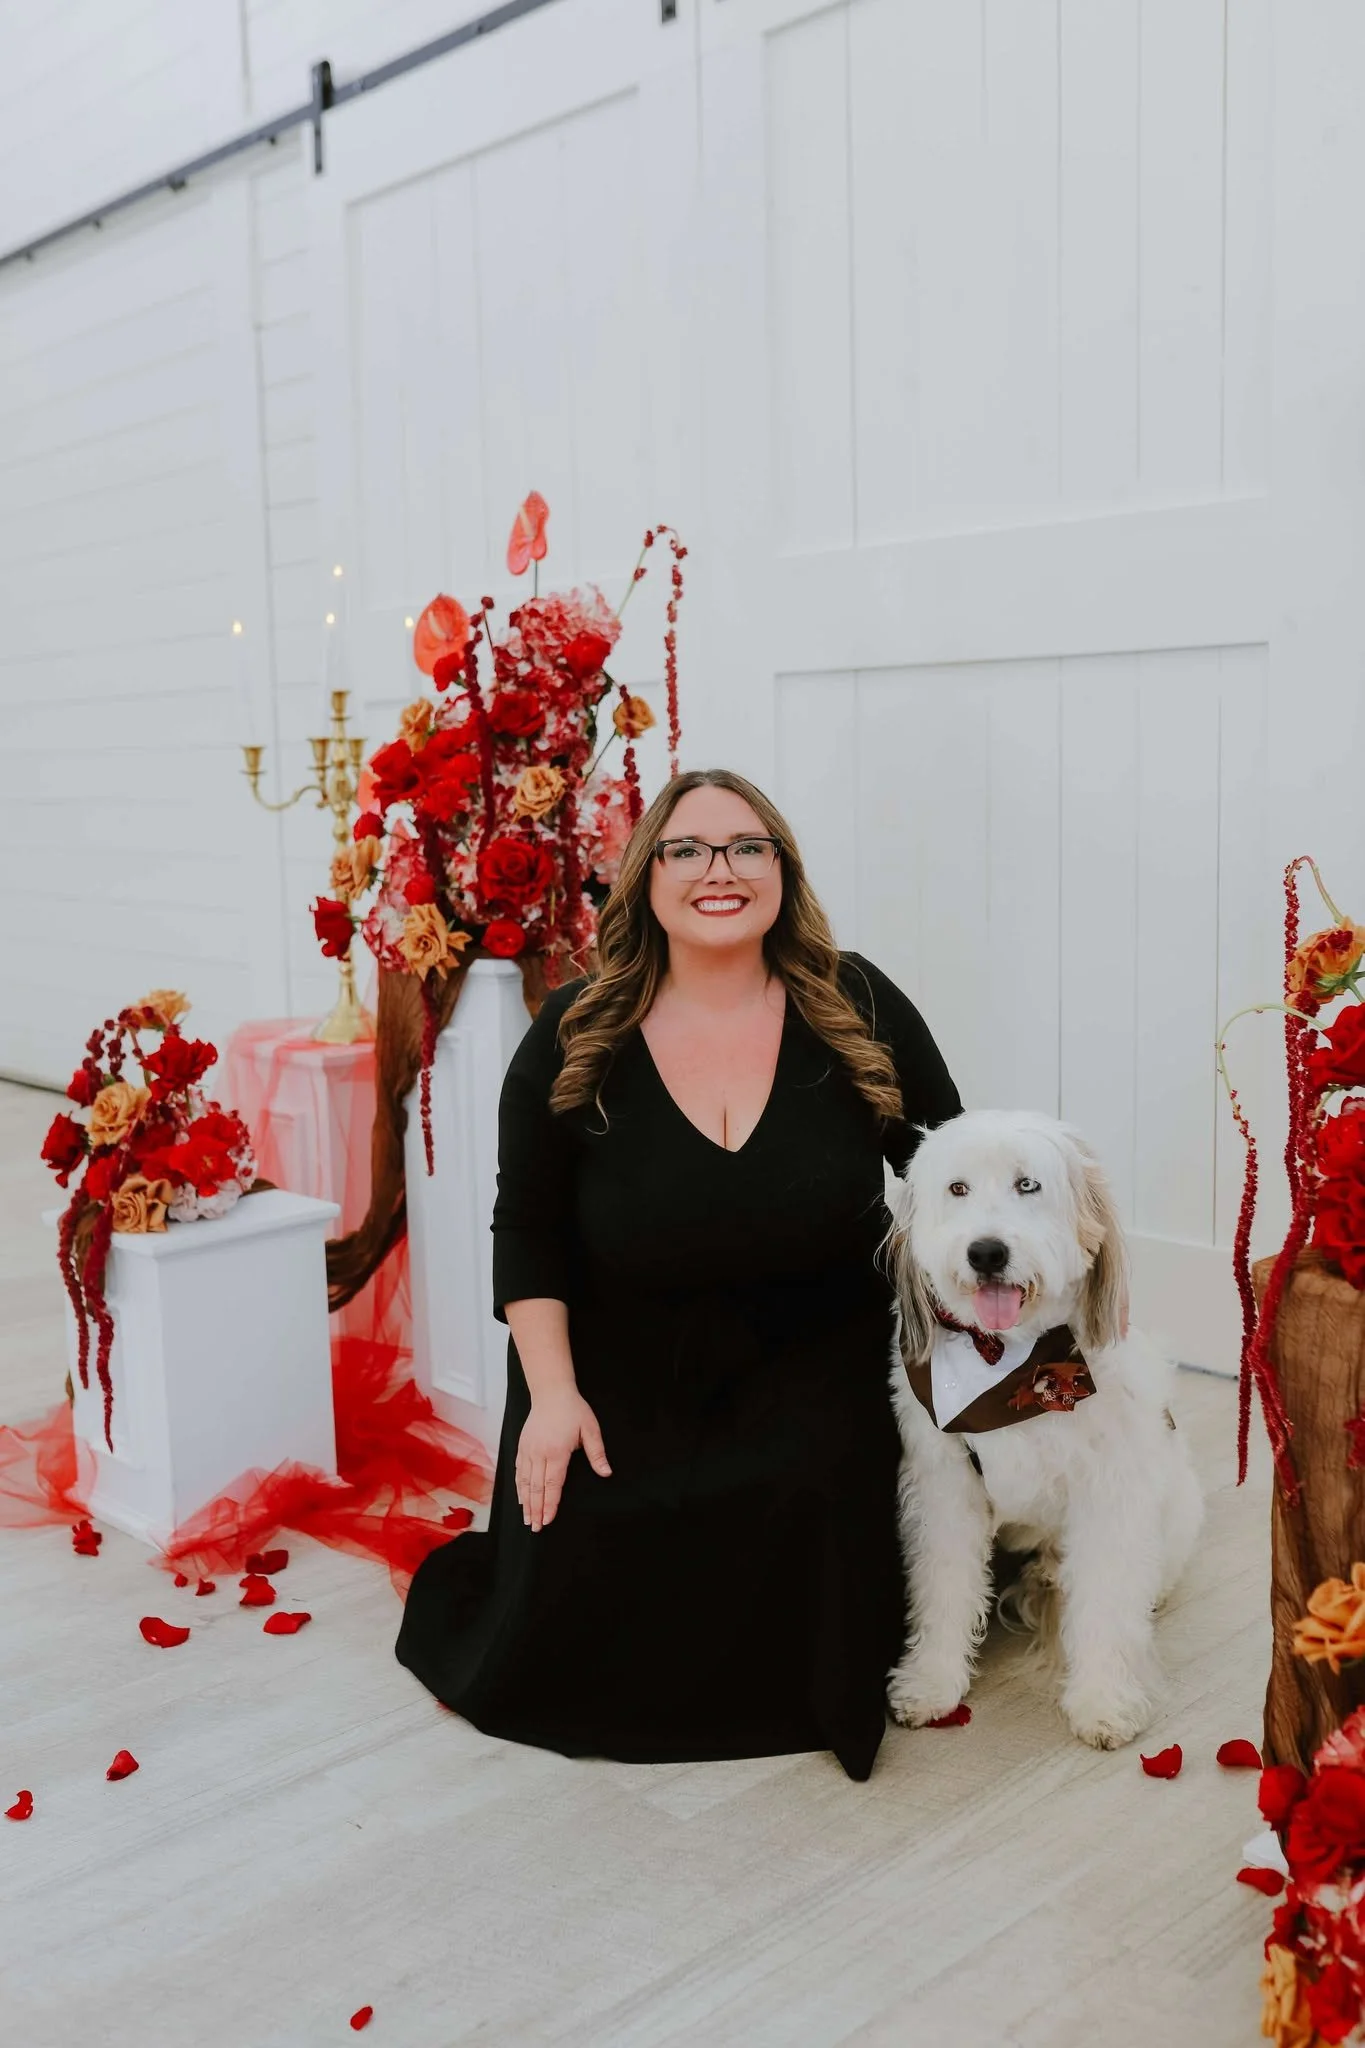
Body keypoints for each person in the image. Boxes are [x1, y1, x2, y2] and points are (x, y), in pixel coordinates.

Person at [396, 768, 960, 1780]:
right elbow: (525, 1230)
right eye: (688, 848)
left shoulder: (857, 999)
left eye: (749, 847)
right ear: (644, 876)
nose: (720, 870)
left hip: (819, 1346)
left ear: (782, 871)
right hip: (623, 1351)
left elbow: (949, 1168)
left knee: (815, 1495)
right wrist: (555, 1398)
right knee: (585, 1570)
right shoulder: (575, 1029)